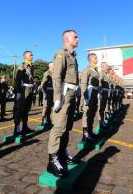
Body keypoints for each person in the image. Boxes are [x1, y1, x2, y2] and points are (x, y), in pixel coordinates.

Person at [46, 29, 80, 178]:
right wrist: (58, 98)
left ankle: (62, 153)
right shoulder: (62, 54)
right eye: (75, 36)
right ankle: (52, 160)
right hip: (64, 94)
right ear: (67, 39)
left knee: (67, 126)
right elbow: (57, 77)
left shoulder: (74, 57)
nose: (78, 39)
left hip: (72, 94)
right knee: (58, 127)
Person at [13, 51, 35, 136]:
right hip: (23, 90)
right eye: (30, 55)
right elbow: (17, 79)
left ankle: (25, 127)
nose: (32, 56)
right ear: (25, 57)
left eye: (32, 55)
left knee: (26, 110)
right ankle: (17, 129)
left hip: (29, 89)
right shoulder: (22, 66)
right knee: (20, 110)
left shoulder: (31, 66)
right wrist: (18, 91)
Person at [80, 53, 100, 143]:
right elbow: (83, 84)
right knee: (86, 113)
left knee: (92, 113)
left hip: (95, 93)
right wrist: (85, 97)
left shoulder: (95, 70)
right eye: (95, 58)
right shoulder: (87, 69)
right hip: (89, 92)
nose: (97, 59)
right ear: (91, 59)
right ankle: (85, 134)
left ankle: (90, 132)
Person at [98, 62, 111, 129]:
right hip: (102, 92)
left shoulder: (105, 73)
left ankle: (102, 121)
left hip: (105, 91)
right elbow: (100, 81)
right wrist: (100, 93)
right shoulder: (101, 72)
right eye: (107, 66)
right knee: (100, 108)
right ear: (103, 66)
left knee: (103, 107)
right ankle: (101, 122)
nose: (108, 67)